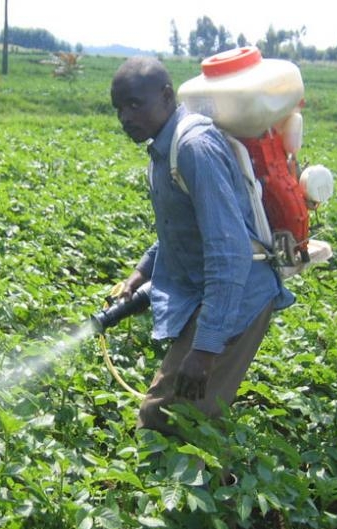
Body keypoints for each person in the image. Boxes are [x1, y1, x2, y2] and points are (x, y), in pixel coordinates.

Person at [110, 56, 294, 438]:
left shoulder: (192, 147)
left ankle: (204, 489)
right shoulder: (164, 149)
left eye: (134, 104)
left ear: (165, 96)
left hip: (238, 297)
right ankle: (216, 483)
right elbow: (183, 230)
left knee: (168, 422)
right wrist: (141, 272)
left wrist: (206, 349)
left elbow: (229, 254)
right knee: (189, 421)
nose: (125, 117)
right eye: (118, 108)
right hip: (211, 294)